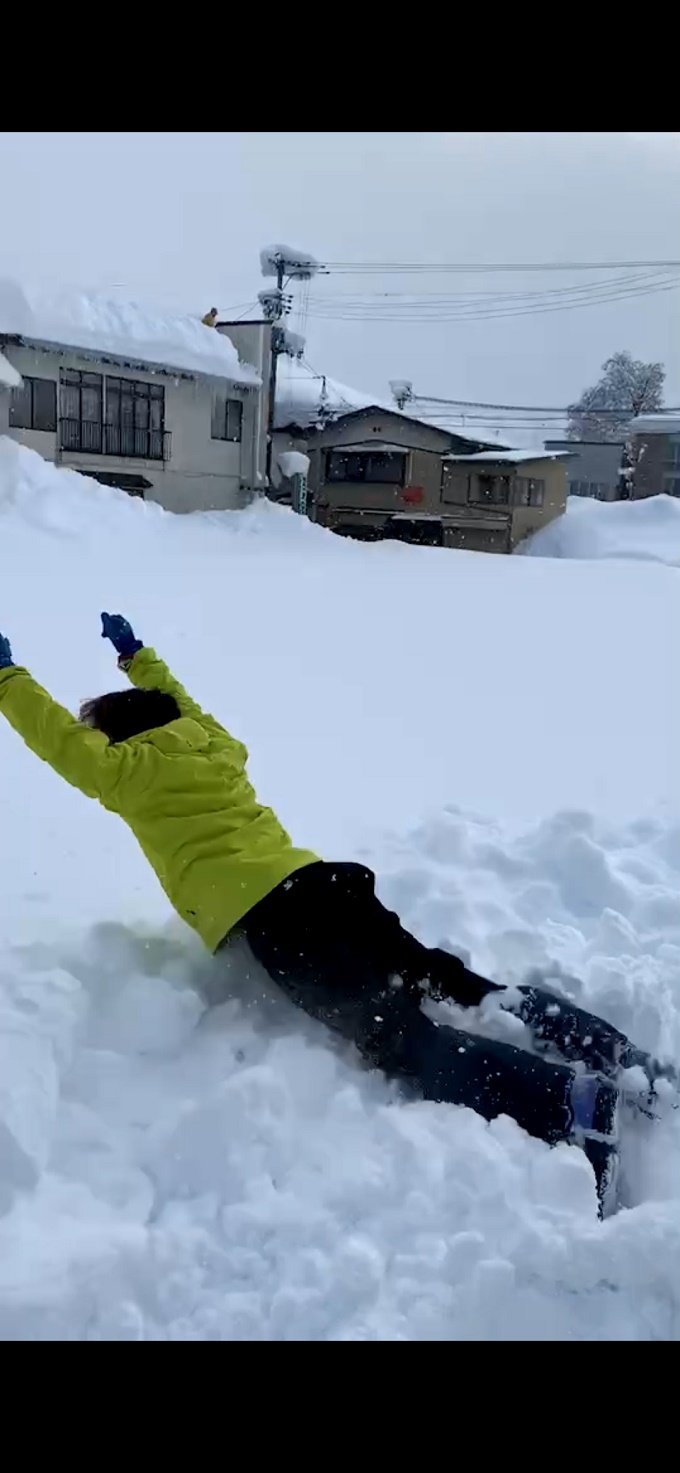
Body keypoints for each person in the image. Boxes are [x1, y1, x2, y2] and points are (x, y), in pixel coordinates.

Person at [0, 614, 668, 1213]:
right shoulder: (211, 742)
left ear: (121, 737)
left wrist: (7, 679)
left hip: (277, 920)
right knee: (455, 982)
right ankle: (624, 1057)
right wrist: (138, 657)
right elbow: (184, 701)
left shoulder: (128, 771)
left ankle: (579, 1106)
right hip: (328, 884)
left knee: (400, 1037)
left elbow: (59, 740)